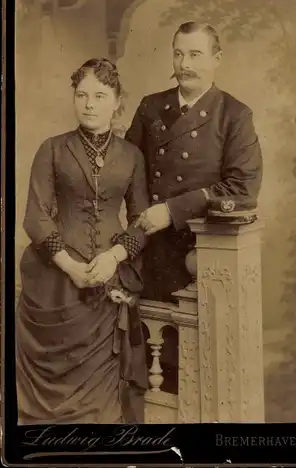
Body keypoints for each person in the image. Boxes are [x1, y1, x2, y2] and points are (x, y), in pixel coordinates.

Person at [16, 58, 149, 424]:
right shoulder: (53, 149)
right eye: (82, 95)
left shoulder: (132, 156)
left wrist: (114, 258)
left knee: (102, 411)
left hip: (107, 281)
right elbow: (35, 216)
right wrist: (71, 267)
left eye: (100, 96)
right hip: (57, 278)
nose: (89, 104)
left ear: (117, 101)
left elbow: (141, 221)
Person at [126, 21, 263, 303]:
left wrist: (171, 211)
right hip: (147, 247)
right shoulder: (150, 106)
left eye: (195, 54)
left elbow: (243, 189)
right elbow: (127, 169)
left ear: (217, 59)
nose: (184, 64)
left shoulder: (234, 115)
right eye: (178, 54)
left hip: (202, 252)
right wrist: (139, 219)